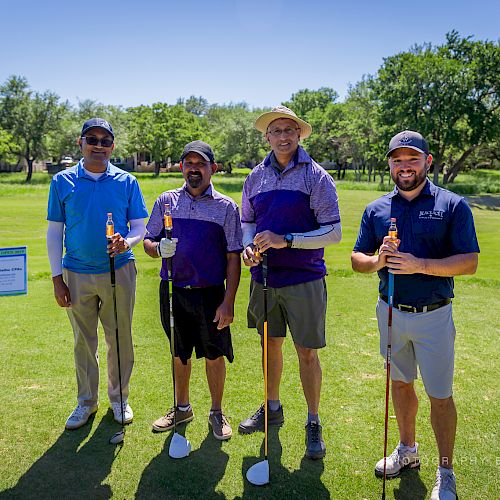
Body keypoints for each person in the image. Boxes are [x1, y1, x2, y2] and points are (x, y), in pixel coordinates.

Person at [351, 131, 479, 499]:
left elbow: (469, 262)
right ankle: (408, 450)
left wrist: (420, 264)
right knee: (401, 384)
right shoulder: (377, 209)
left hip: (434, 315)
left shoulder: (452, 204)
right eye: (397, 160)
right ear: (389, 164)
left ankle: (446, 468)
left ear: (428, 161)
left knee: (440, 394)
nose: (404, 166)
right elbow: (357, 259)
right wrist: (378, 260)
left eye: (412, 159)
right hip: (390, 311)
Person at [238, 106, 342, 459]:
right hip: (265, 277)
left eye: (289, 130)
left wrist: (289, 239)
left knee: (307, 353)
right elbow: (248, 223)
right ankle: (272, 406)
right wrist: (249, 248)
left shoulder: (317, 177)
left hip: (304, 279)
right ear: (266, 137)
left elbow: (334, 232)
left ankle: (313, 421)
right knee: (270, 346)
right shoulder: (255, 177)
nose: (283, 136)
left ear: (299, 134)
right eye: (276, 131)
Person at [47, 118, 148, 429]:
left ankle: (119, 399)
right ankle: (86, 402)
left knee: (119, 338)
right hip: (76, 272)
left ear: (112, 147)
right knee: (83, 341)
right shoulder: (62, 181)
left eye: (106, 141)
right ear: (81, 143)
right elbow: (55, 232)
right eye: (93, 139)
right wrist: (56, 278)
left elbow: (140, 227)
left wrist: (126, 242)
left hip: (119, 269)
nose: (99, 146)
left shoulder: (127, 181)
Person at [143, 140, 242, 441]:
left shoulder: (226, 207)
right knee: (179, 352)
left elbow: (233, 256)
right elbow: (148, 241)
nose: (194, 169)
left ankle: (216, 411)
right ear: (182, 167)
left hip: (211, 293)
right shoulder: (166, 201)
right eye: (189, 163)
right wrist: (159, 248)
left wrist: (228, 301)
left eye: (201, 164)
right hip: (174, 289)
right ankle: (182, 407)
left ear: (213, 168)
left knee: (213, 354)